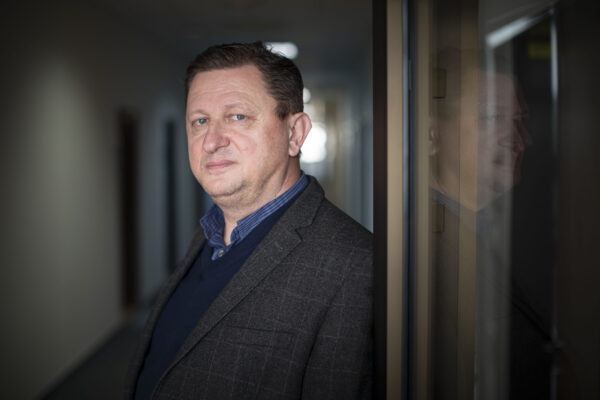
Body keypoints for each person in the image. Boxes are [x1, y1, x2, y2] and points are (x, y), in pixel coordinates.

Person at [124, 42, 373, 400]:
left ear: (294, 134)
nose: (211, 141)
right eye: (200, 121)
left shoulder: (354, 266)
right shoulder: (209, 237)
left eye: (237, 117)